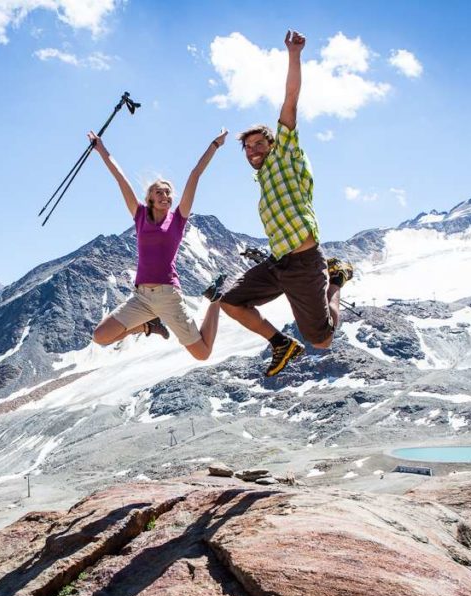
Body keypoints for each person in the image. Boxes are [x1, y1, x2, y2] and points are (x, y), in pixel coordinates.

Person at [220, 29, 355, 377]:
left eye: (258, 144)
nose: (253, 151)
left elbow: (291, 98)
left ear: (272, 143)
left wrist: (293, 54)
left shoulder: (285, 155)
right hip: (278, 263)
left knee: (321, 340)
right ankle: (281, 344)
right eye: (247, 148)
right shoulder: (262, 179)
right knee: (230, 302)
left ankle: (336, 280)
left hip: (305, 262)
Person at [89, 128, 229, 360]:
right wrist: (101, 148)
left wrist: (215, 144)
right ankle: (148, 326)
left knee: (202, 353)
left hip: (168, 296)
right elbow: (120, 178)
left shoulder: (178, 218)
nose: (165, 195)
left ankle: (215, 300)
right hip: (141, 297)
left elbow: (195, 175)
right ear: (150, 198)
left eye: (168, 192)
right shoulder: (140, 215)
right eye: (159, 192)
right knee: (101, 336)